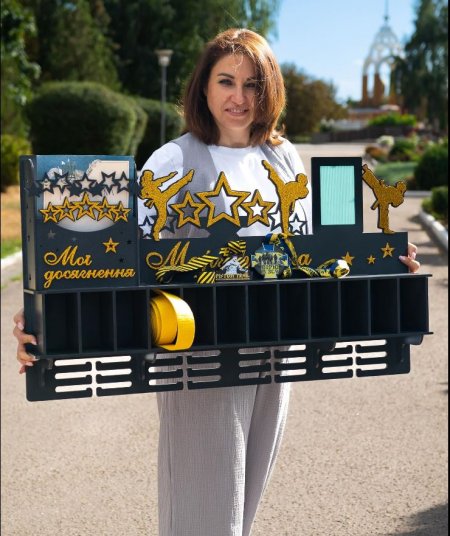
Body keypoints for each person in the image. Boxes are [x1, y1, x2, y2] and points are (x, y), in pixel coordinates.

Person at [13, 28, 421, 536]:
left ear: (269, 90)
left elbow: (317, 255)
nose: (239, 97)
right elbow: (106, 259)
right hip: (198, 360)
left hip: (279, 352)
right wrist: (44, 321)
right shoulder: (173, 160)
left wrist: (387, 268)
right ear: (203, 88)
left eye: (253, 84)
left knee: (239, 516)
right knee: (204, 519)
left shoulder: (282, 157)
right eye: (226, 81)